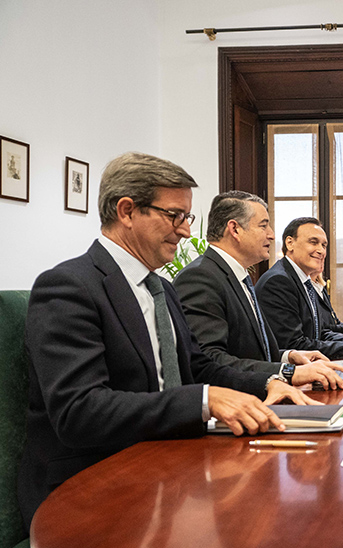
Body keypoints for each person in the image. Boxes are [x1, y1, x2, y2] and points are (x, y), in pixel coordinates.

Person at [17, 152, 314, 529]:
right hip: (90, 486)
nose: (187, 231)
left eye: (187, 217)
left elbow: (200, 365)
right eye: (175, 216)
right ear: (127, 211)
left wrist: (275, 379)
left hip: (168, 464)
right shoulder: (69, 287)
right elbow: (80, 411)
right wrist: (204, 399)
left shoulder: (161, 288)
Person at [173, 190, 343, 389]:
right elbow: (210, 360)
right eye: (263, 226)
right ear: (235, 229)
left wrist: (288, 357)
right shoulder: (201, 277)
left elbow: (251, 350)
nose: (272, 235)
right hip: (237, 407)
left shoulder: (237, 276)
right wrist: (288, 372)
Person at [255, 217, 343, 359]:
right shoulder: (279, 281)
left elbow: (321, 332)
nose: (321, 251)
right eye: (313, 242)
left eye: (324, 245)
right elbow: (293, 345)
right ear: (290, 243)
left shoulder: (303, 280)